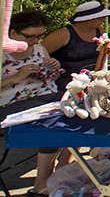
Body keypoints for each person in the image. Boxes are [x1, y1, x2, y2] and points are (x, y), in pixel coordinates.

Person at [1, 10, 68, 196]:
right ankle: (42, 184)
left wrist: (52, 65)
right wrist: (19, 76)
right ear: (13, 33)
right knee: (52, 122)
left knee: (77, 108)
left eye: (40, 35)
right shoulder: (3, 53)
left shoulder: (38, 48)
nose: (36, 41)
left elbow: (49, 68)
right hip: (11, 105)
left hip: (46, 95)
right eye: (30, 36)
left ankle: (64, 168)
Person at [42, 0, 110, 91]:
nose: (102, 19)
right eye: (99, 17)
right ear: (87, 18)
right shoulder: (63, 34)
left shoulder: (100, 32)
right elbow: (38, 52)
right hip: (70, 82)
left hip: (96, 77)